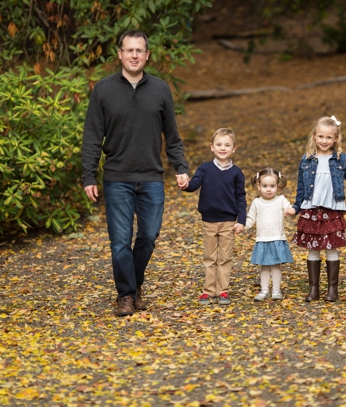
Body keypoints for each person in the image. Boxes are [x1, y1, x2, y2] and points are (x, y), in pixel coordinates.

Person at [80, 30, 190, 317]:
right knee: (119, 242)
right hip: (117, 177)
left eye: (139, 50)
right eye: (128, 50)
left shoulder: (160, 89)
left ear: (147, 55)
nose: (134, 55)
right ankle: (126, 295)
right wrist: (88, 175)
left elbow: (172, 136)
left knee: (149, 236)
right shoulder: (103, 90)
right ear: (119, 54)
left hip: (152, 176)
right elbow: (92, 136)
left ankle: (135, 282)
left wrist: (181, 167)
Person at [293, 116, 346, 302]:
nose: (324, 141)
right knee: (313, 249)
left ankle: (332, 290)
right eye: (321, 136)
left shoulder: (340, 158)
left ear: (336, 139)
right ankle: (314, 289)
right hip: (311, 209)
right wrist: (296, 207)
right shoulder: (307, 159)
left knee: (331, 248)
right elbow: (300, 188)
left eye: (329, 138)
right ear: (314, 136)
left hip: (332, 210)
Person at [182, 128, 247, 305]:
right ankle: (208, 291)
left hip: (228, 222)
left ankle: (223, 291)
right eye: (219, 144)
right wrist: (185, 185)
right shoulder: (205, 168)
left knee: (225, 257)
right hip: (209, 221)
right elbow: (194, 184)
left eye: (227, 145)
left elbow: (240, 197)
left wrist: (241, 220)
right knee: (210, 257)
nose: (223, 148)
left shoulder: (236, 173)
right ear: (212, 147)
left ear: (234, 148)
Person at [245, 168, 296, 301]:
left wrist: (290, 211)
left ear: (278, 186)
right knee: (265, 266)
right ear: (258, 186)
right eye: (265, 186)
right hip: (262, 240)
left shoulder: (281, 200)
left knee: (275, 266)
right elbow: (251, 219)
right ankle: (264, 290)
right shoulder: (257, 202)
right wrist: (241, 225)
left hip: (277, 238)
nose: (269, 189)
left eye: (272, 186)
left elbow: (288, 209)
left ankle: (277, 290)